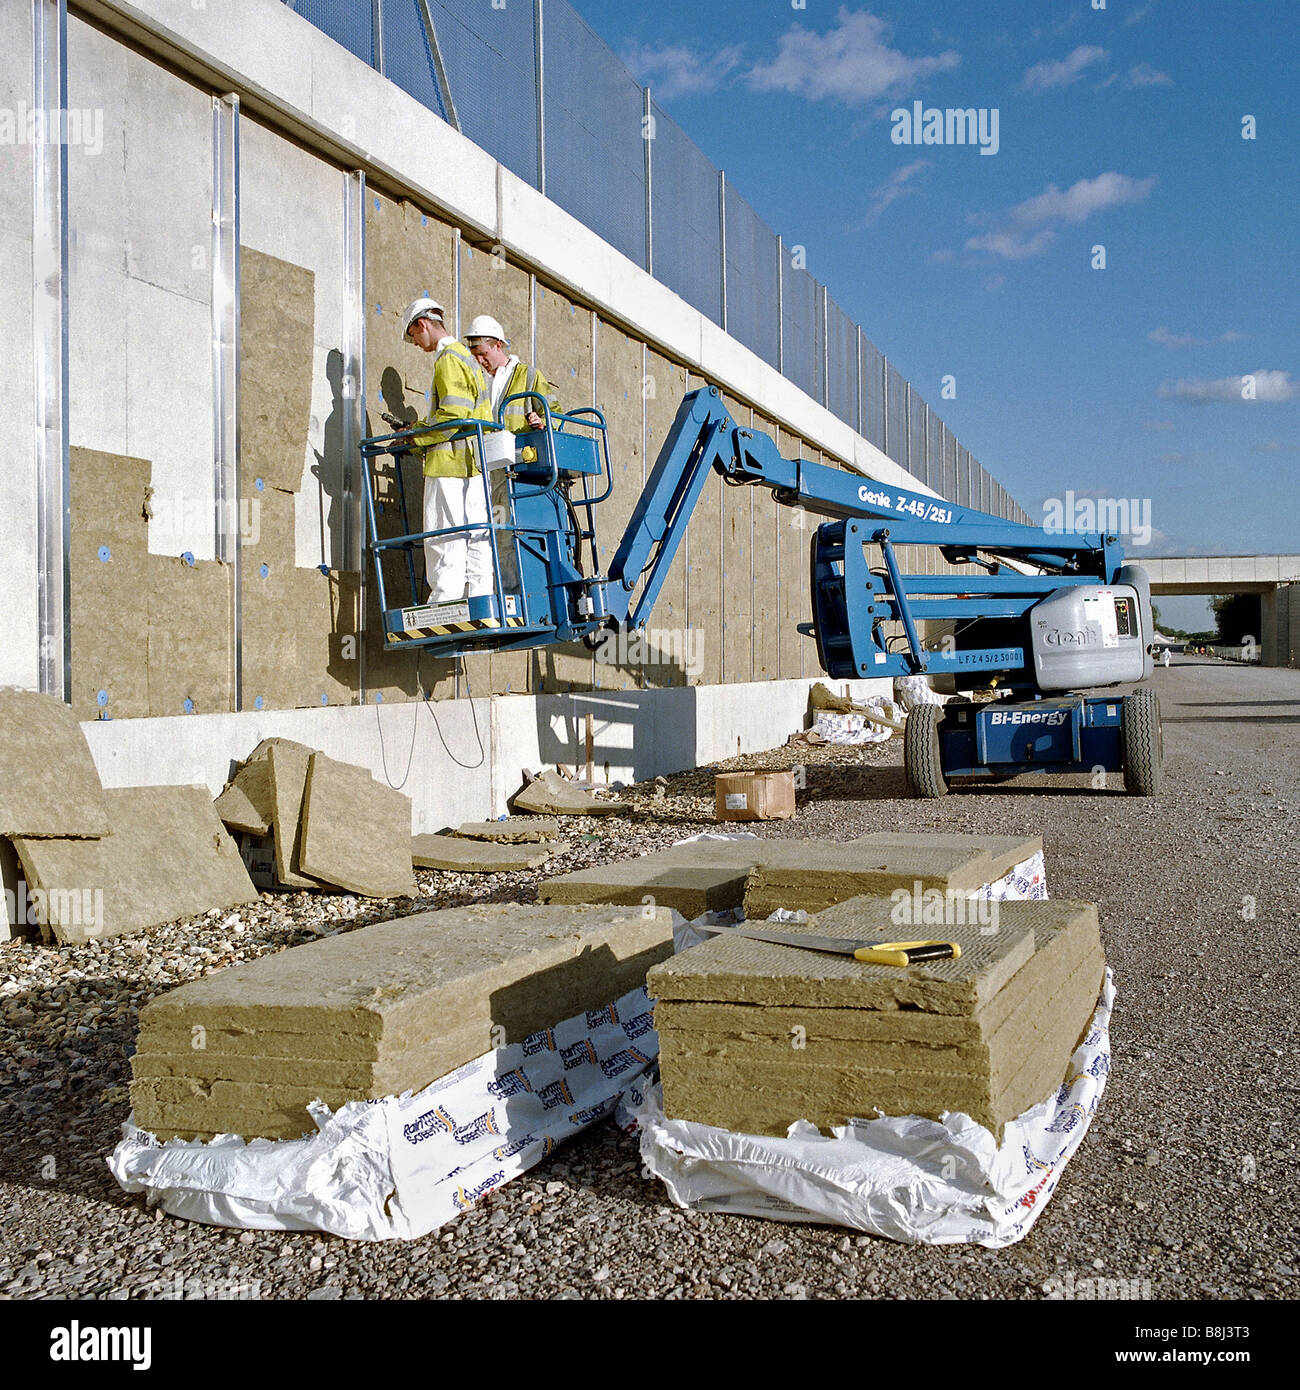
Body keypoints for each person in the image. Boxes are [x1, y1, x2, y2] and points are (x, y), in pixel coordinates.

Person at [402, 297, 494, 605]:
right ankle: (480, 600)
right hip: (476, 463)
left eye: (414, 335)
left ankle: (444, 603)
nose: (416, 343)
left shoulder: (446, 359)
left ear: (422, 324)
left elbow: (453, 414)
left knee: (444, 535)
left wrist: (417, 438)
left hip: (448, 463)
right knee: (477, 536)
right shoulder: (469, 360)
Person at [463, 315, 560, 432]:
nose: (479, 360)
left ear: (498, 345)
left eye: (483, 354)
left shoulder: (528, 376)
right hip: (488, 448)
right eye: (475, 356)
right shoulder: (478, 381)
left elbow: (555, 415)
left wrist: (542, 422)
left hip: (520, 448)